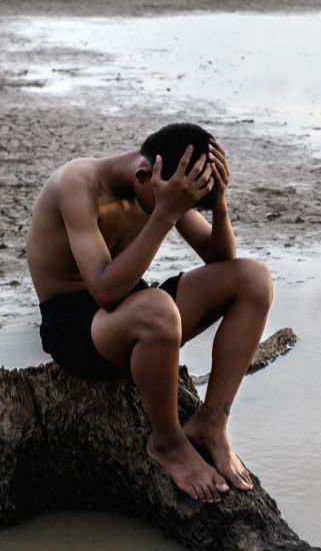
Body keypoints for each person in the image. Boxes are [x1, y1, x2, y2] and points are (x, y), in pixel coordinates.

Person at [26, 122, 273, 503]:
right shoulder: (78, 184)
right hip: (78, 329)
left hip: (136, 312)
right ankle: (167, 441)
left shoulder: (162, 186)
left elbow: (221, 260)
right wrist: (165, 213)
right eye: (176, 204)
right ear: (144, 175)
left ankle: (212, 421)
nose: (178, 212)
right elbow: (106, 292)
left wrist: (219, 202)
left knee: (253, 279)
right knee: (157, 308)